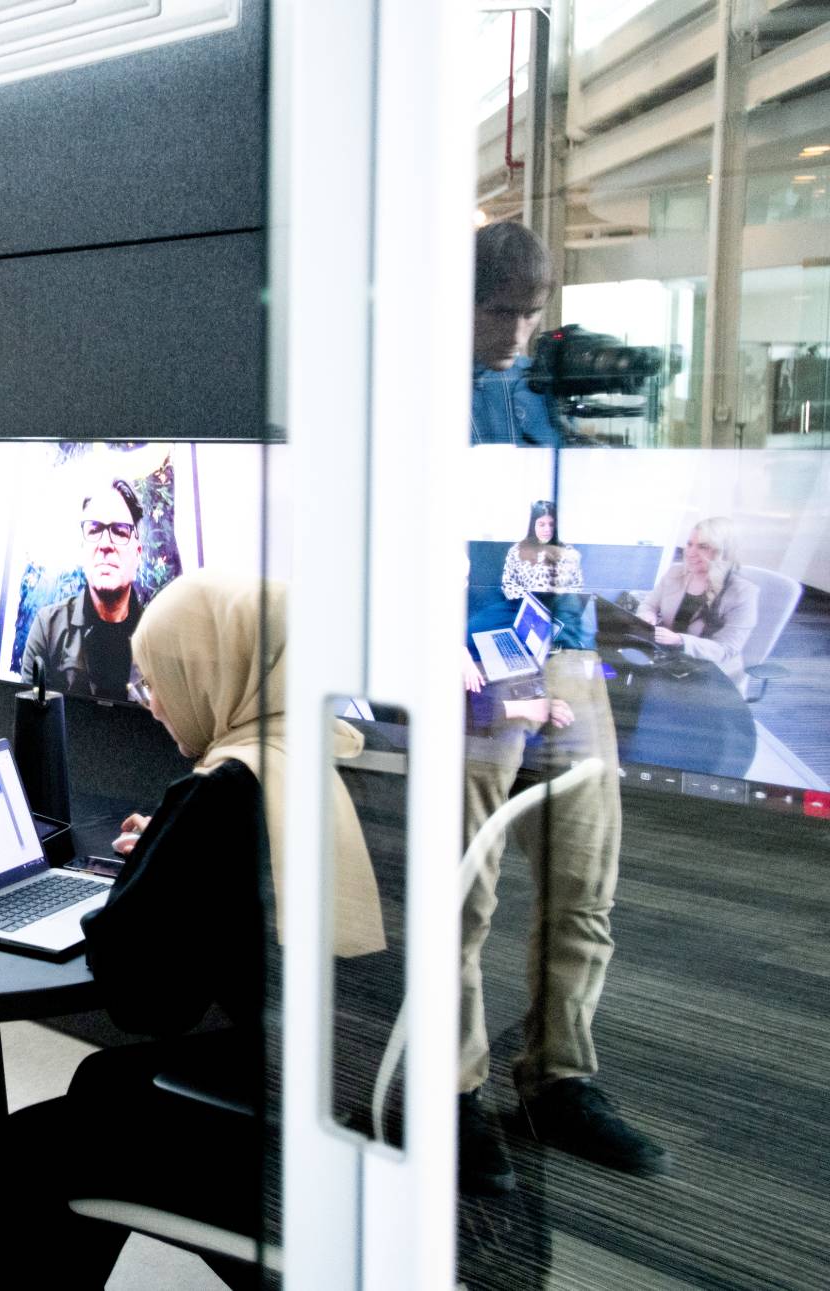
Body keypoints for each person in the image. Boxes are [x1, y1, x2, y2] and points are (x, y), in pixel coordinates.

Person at [7, 572, 385, 1289]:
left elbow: (148, 1000)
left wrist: (152, 863)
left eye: (159, 681)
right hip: (358, 1092)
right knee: (100, 1079)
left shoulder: (223, 791)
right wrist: (174, 846)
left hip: (290, 1135)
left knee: (33, 1150)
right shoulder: (328, 751)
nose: (152, 706)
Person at [458, 222, 670, 1197]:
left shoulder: (551, 390)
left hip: (567, 646)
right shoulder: (421, 395)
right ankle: (451, 1094)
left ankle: (558, 1077)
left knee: (584, 879)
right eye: (495, 309)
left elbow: (597, 514)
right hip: (471, 651)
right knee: (468, 891)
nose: (511, 329)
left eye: (527, 309)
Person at [19, 479, 152, 702]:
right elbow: (32, 719)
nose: (105, 544)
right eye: (95, 529)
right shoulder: (47, 628)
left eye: (120, 532)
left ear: (137, 554)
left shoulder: (161, 636)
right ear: (82, 550)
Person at [637, 516, 760, 696]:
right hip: (671, 660)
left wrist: (680, 640)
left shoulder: (743, 593)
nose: (690, 552)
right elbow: (648, 604)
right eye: (689, 544)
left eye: (702, 547)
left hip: (709, 675)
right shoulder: (675, 573)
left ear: (722, 552)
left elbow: (726, 650)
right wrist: (647, 616)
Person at [471, 221, 563, 447]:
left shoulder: (540, 386)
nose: (517, 337)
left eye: (531, 313)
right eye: (500, 313)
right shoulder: (422, 387)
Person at [501, 500, 583, 599]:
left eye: (551, 524)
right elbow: (508, 584)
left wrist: (560, 601)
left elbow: (577, 586)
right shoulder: (516, 551)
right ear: (533, 526)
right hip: (525, 608)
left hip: (559, 610)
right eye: (542, 524)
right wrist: (532, 600)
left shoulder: (569, 552)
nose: (548, 529)